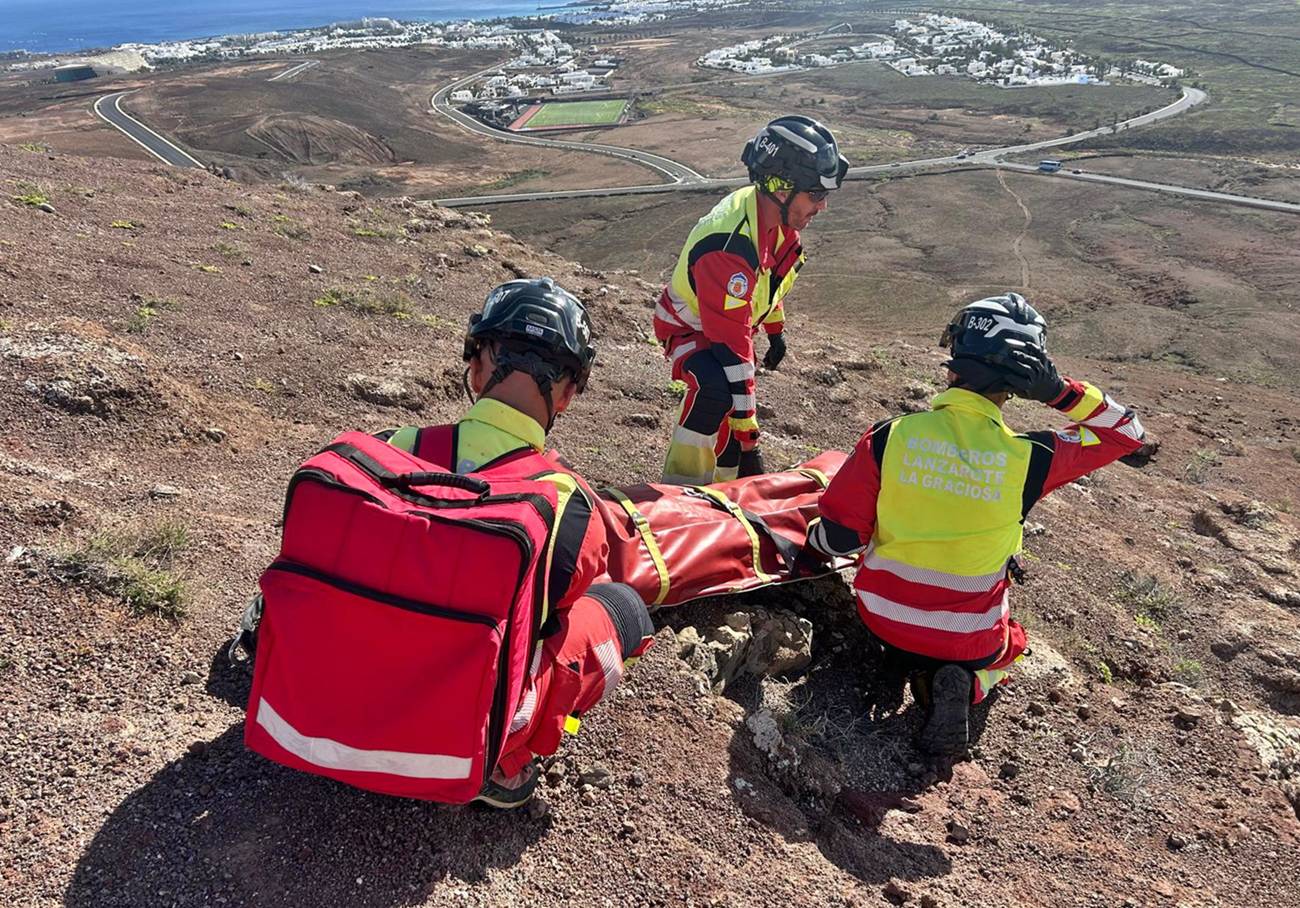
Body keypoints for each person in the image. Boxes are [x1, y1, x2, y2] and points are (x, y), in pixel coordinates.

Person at [803, 292, 1147, 755]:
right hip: (967, 640)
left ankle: (900, 660)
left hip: (880, 618)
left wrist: (810, 539)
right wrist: (1059, 393)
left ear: (954, 364)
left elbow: (840, 537)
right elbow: (1129, 435)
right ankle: (968, 686)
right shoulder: (1034, 457)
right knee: (1013, 645)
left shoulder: (891, 436)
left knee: (899, 619)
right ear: (1016, 383)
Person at [382, 277, 655, 807]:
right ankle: (507, 759)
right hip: (462, 730)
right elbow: (547, 622)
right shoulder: (571, 504)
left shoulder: (399, 446)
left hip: (360, 684)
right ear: (568, 394)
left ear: (476, 366)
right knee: (621, 608)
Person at [654, 114, 849, 485]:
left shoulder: (775, 223)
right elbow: (732, 349)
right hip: (686, 327)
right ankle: (682, 485)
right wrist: (751, 447)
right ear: (780, 188)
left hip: (726, 322)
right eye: (817, 194)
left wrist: (776, 330)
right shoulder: (729, 249)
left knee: (732, 395)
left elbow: (766, 286)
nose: (822, 207)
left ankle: (727, 488)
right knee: (716, 387)